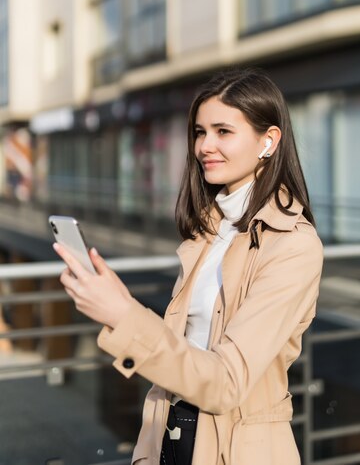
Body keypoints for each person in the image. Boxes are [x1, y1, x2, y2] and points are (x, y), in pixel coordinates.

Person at [55, 68, 323, 465]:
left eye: (223, 131)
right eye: (200, 132)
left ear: (268, 140)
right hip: (172, 432)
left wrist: (123, 314)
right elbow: (184, 349)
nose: (205, 146)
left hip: (238, 450)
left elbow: (226, 383)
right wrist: (117, 303)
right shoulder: (208, 230)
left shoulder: (294, 246)